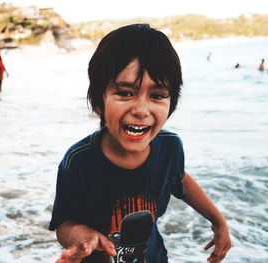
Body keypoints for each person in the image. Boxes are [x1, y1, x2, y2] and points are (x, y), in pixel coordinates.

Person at [49, 24, 231, 263]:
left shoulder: (170, 148)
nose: (141, 110)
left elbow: (180, 180)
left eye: (157, 96)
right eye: (125, 93)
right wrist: (82, 236)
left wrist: (218, 221)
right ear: (98, 102)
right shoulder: (79, 160)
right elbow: (64, 224)